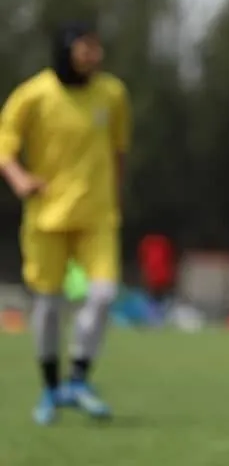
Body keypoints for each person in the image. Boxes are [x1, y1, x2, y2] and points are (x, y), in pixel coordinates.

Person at [0, 21, 132, 425]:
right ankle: (50, 387)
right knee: (48, 306)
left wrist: (116, 193)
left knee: (103, 295)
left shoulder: (112, 93)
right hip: (47, 216)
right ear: (67, 50)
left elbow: (119, 150)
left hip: (97, 216)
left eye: (96, 48)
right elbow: (5, 143)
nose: (94, 56)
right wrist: (19, 179)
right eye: (85, 48)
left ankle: (78, 379)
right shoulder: (33, 94)